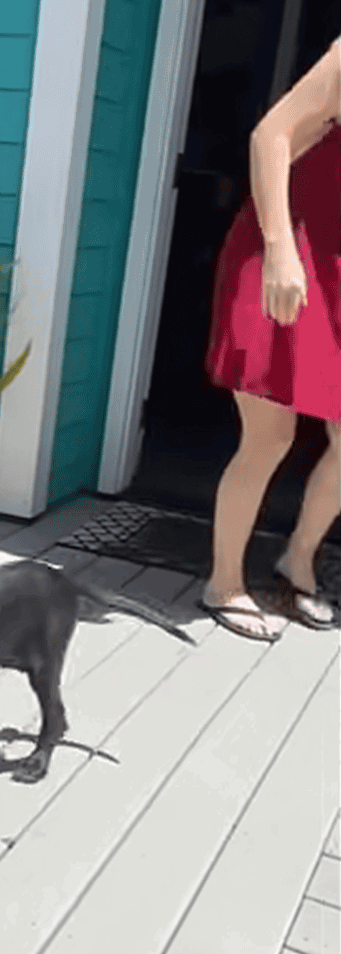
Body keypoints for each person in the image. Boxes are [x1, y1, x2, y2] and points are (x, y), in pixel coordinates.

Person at [200, 35, 341, 641]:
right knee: (269, 436)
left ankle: (297, 560)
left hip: (336, 271)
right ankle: (223, 584)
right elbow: (270, 136)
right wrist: (282, 252)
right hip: (284, 254)